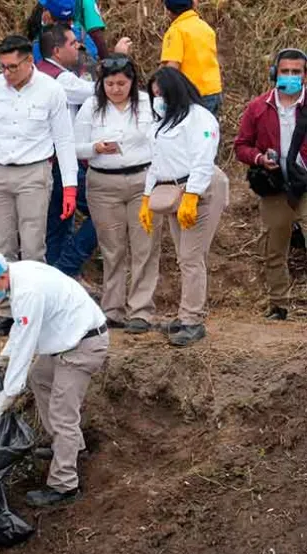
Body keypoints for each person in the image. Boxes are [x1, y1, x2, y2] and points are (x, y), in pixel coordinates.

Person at [0, 252, 107, 508]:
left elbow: (27, 344)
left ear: (1, 276)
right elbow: (20, 332)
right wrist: (3, 358)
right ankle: (71, 447)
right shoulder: (19, 276)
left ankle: (64, 485)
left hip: (82, 346)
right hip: (67, 340)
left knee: (62, 414)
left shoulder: (27, 290)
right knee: (39, 377)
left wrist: (9, 392)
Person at [0, 35, 77, 339]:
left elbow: (64, 140)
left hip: (35, 172)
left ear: (30, 61)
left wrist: (70, 185)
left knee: (32, 248)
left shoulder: (51, 90)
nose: (7, 73)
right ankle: (6, 313)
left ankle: (34, 312)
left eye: (13, 67)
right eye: (3, 67)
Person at [139, 67, 228, 347]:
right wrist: (146, 195)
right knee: (183, 255)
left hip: (201, 188)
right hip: (173, 189)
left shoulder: (199, 118)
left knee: (191, 256)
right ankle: (185, 314)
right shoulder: (163, 121)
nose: (157, 99)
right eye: (154, 94)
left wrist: (193, 194)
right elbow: (156, 161)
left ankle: (192, 319)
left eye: (161, 93)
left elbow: (203, 159)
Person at [74, 54, 157, 333]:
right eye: (110, 84)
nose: (116, 89)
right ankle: (113, 309)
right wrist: (95, 148)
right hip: (103, 183)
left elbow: (161, 138)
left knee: (144, 246)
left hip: (142, 180)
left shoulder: (147, 104)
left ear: (132, 83)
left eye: (121, 83)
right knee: (112, 248)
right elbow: (74, 146)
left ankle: (141, 310)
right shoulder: (91, 106)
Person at [233, 48, 307, 321]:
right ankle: (279, 303)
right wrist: (259, 158)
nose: (290, 76)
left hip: (305, 183)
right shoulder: (258, 107)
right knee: (275, 247)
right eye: (285, 71)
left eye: (296, 72)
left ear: (305, 75)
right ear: (275, 73)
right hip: (275, 186)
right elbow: (241, 146)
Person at [37, 25, 97, 281]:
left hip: (49, 158)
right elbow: (98, 91)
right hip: (61, 159)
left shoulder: (42, 73)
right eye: (73, 44)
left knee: (58, 220)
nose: (78, 48)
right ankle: (67, 266)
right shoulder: (59, 79)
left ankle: (57, 274)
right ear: (57, 50)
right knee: (101, 210)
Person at [160, 0, 222, 115]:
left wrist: (162, 90)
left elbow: (172, 67)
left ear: (169, 11)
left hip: (191, 95)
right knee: (208, 130)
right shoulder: (206, 28)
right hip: (213, 91)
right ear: (194, 4)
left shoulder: (176, 31)